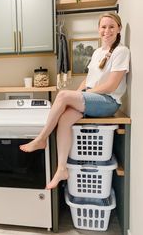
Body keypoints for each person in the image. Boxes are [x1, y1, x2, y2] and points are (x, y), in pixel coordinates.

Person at [20, 13, 130, 190]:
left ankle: (41, 139)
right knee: (64, 119)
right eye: (103, 27)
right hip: (94, 98)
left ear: (119, 28)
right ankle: (62, 169)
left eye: (111, 26)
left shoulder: (121, 51)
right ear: (98, 29)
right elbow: (88, 80)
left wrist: (78, 95)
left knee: (63, 95)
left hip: (108, 102)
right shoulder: (97, 52)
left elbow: (111, 85)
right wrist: (77, 96)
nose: (107, 30)